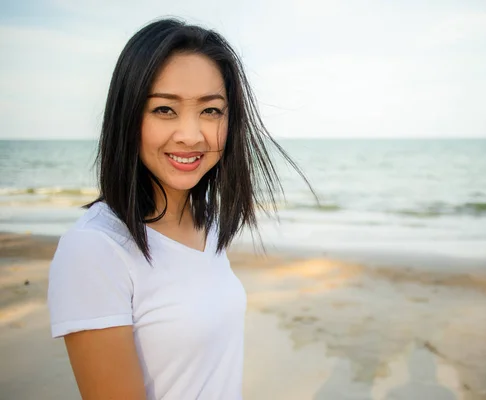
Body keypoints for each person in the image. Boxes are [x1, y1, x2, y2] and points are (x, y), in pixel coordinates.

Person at [47, 18, 311, 400]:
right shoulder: (93, 251)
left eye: (211, 111)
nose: (191, 135)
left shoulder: (210, 224)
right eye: (165, 110)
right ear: (128, 117)